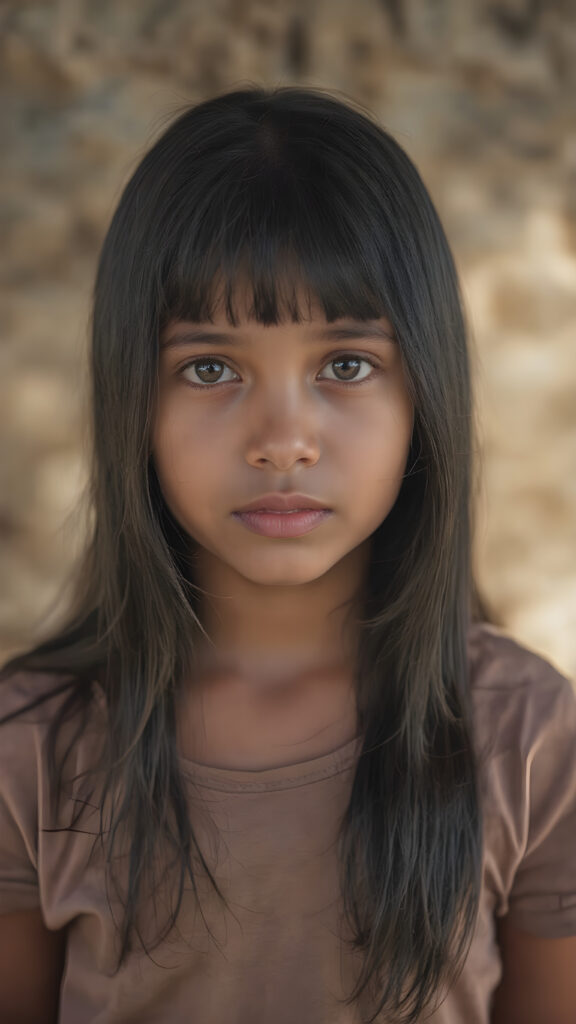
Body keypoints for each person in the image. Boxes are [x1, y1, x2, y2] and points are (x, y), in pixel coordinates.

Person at [0, 86, 574, 1024]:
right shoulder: (31, 748)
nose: (282, 439)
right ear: (130, 401)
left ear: (424, 394)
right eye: (209, 368)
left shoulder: (530, 741)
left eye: (345, 366)